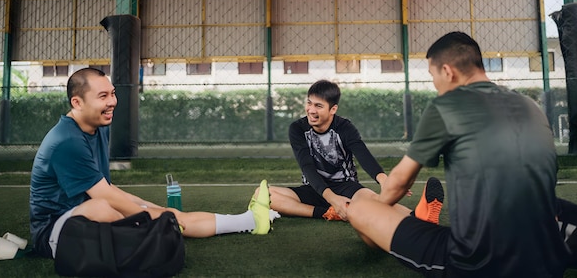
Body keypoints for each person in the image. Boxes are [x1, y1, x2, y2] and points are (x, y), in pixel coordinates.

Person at [346, 31, 569, 277]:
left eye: (433, 76)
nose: (434, 85)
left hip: (479, 263)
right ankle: (417, 216)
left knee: (360, 207)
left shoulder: (448, 105)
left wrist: (375, 210)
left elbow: (398, 184)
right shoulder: (529, 105)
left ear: (448, 72)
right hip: (548, 258)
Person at [30, 67, 278, 260]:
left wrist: (156, 210)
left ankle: (250, 221)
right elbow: (104, 197)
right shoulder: (66, 141)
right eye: (103, 96)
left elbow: (107, 187)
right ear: (77, 103)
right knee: (105, 209)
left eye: (113, 93)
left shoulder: (98, 127)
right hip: (54, 233)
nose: (112, 102)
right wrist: (151, 218)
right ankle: (153, 236)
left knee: (166, 214)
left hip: (94, 214)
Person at [267, 79, 392, 221]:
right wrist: (333, 200)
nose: (311, 110)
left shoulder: (344, 127)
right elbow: (307, 167)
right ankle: (327, 212)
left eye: (318, 106)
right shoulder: (297, 128)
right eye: (309, 103)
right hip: (314, 188)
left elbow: (363, 155)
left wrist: (384, 180)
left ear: (333, 109)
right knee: (264, 195)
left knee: (377, 204)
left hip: (346, 187)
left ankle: (345, 208)